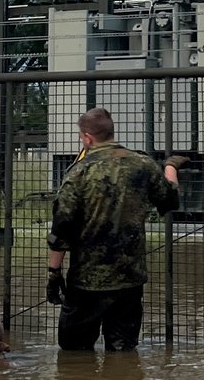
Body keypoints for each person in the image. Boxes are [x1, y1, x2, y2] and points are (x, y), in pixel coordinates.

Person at [47, 107, 183, 351]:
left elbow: (62, 226)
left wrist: (53, 272)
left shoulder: (79, 172)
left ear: (87, 138)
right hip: (129, 280)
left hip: (86, 281)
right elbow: (170, 199)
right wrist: (171, 166)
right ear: (111, 132)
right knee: (123, 353)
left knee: (74, 353)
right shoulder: (143, 164)